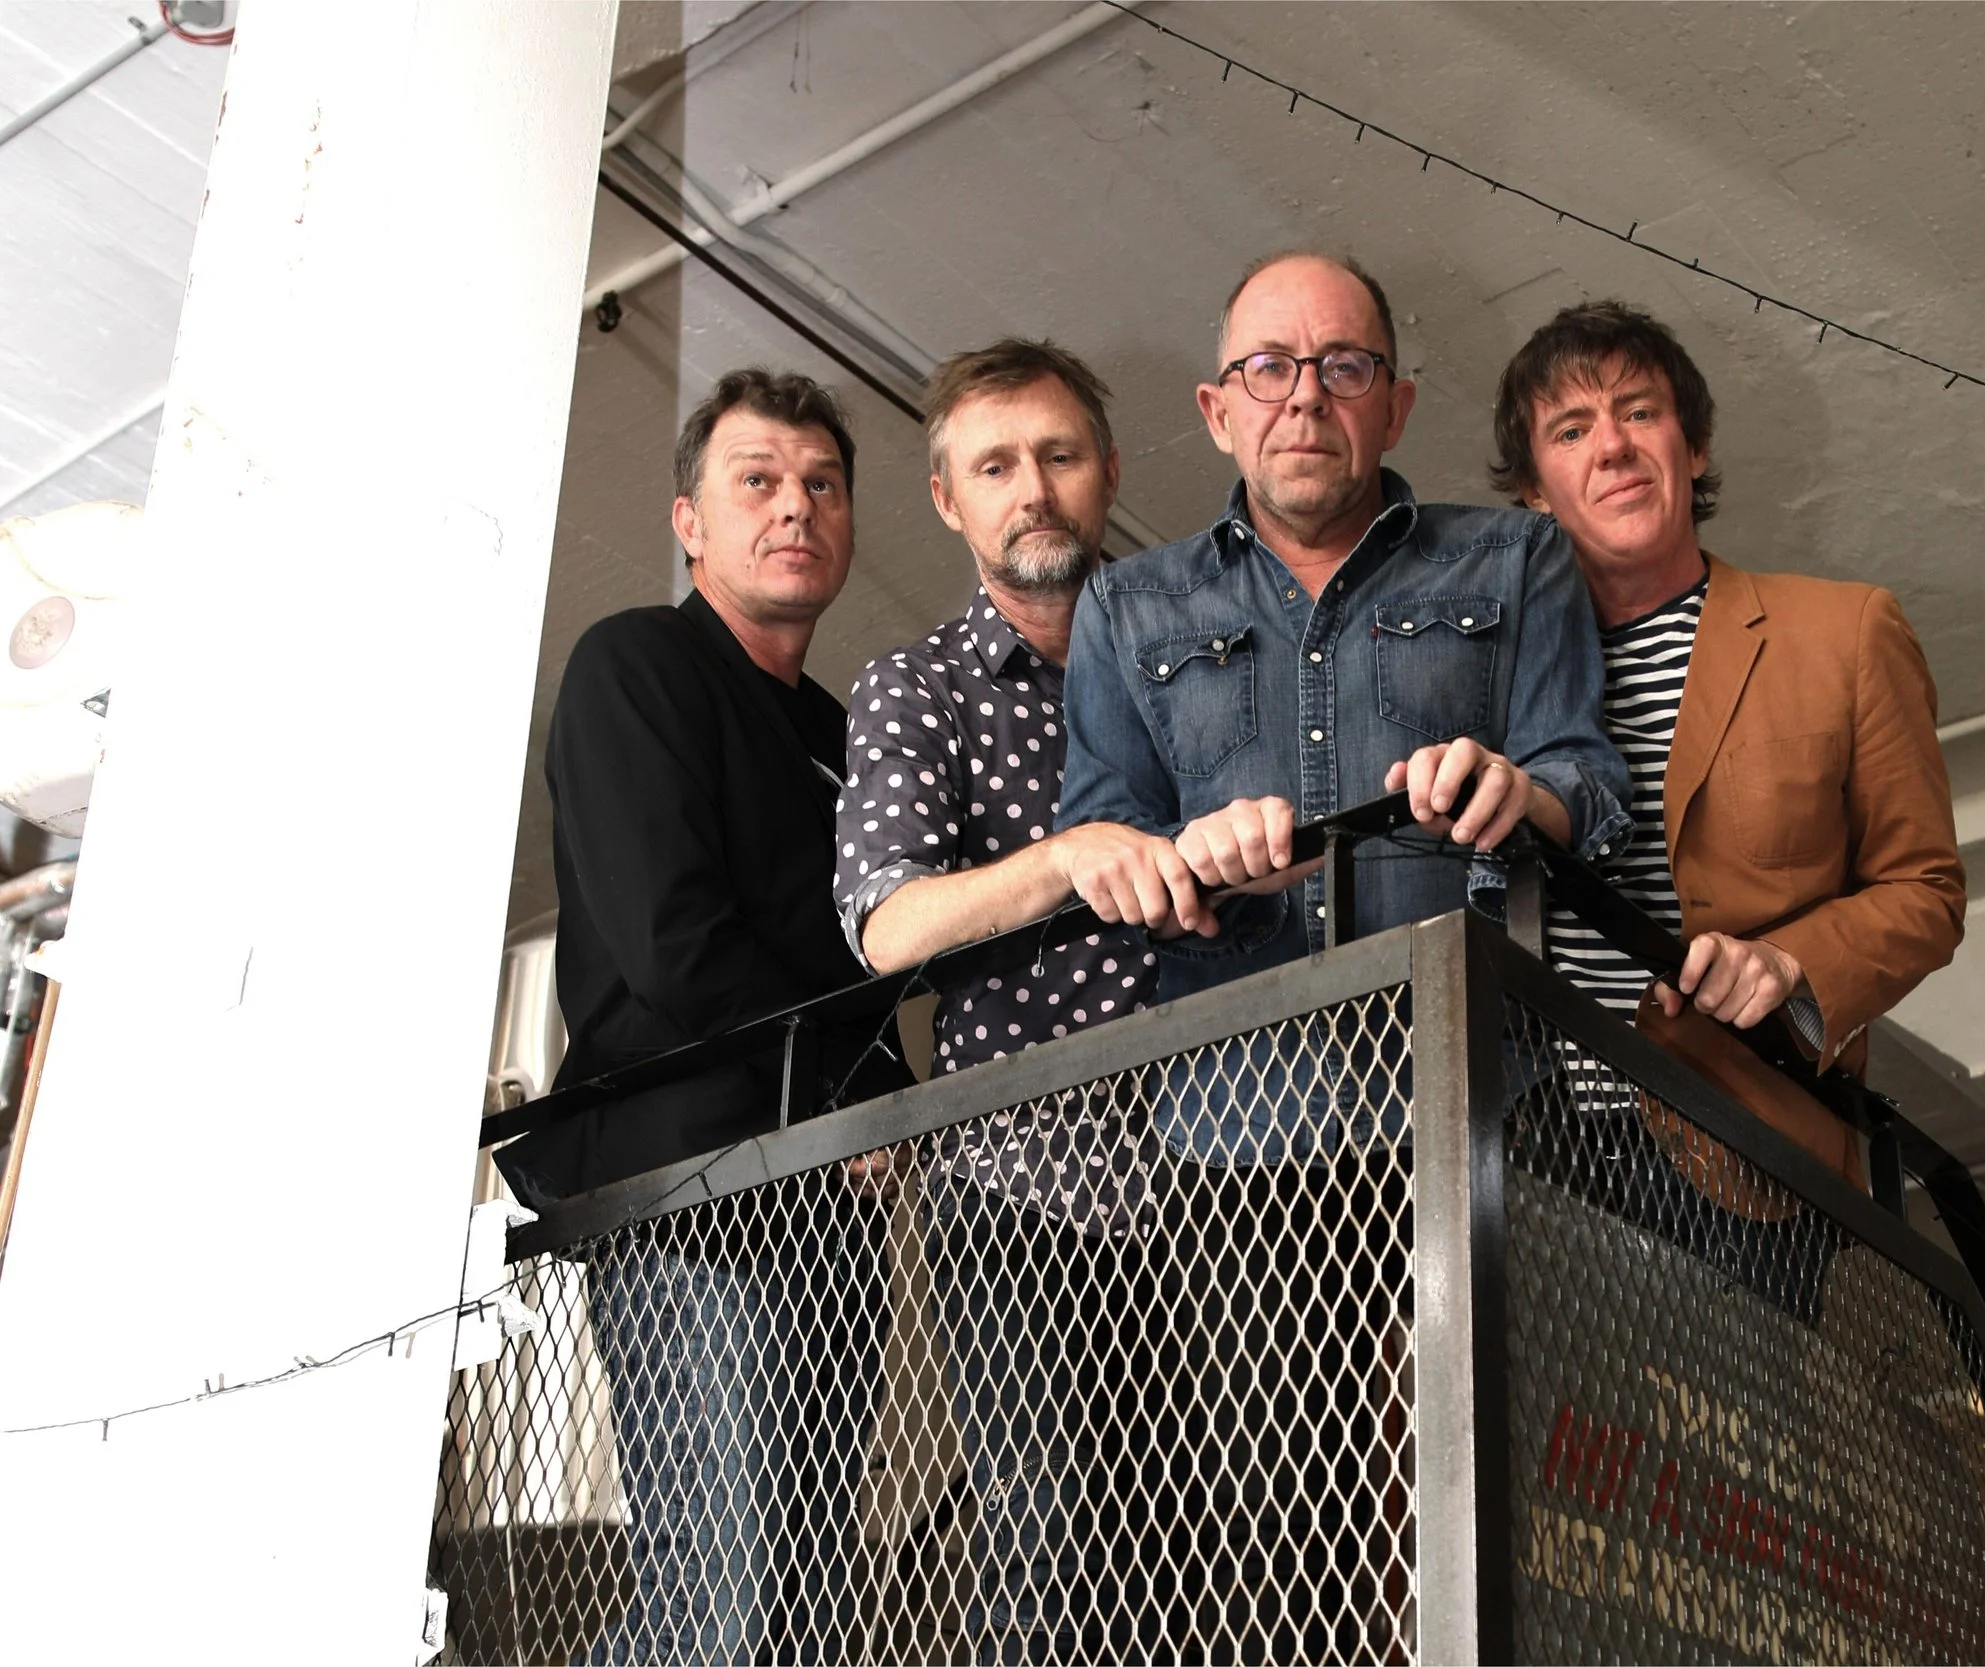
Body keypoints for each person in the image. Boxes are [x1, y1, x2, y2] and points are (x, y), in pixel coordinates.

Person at [1056, 251, 1630, 1660]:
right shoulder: (1128, 609)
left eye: (1343, 365)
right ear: (1216, 406)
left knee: (1518, 1509)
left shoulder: (1514, 557)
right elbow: (1099, 835)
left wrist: (1522, 791)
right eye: (1270, 366)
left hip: (1474, 1107)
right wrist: (1185, 853)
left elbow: (1591, 785)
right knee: (1276, 1536)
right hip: (1237, 1135)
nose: (1303, 395)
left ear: (1394, 400)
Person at [497, 368, 913, 1664]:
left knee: (801, 1606)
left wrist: (880, 1108)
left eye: (822, 485)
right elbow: (676, 941)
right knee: (719, 1595)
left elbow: (880, 962)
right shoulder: (636, 663)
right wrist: (863, 1100)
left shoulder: (850, 733)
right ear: (689, 517)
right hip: (691, 1188)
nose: (796, 506)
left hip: (831, 1203)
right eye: (759, 480)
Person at [835, 339, 1192, 1662]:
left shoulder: (1199, 653)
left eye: (1057, 455)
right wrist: (1062, 857)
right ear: (949, 499)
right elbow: (888, 924)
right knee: (1042, 1563)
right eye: (995, 465)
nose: (1031, 487)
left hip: (1227, 1176)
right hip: (1020, 1192)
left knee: (1233, 1559)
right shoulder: (915, 686)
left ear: (1107, 472)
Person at [1490, 297, 1965, 1184]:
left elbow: (1927, 891)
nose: (1613, 447)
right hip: (1525, 1153)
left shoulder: (1845, 632)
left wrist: (1790, 962)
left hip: (1746, 1153)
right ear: (1533, 492)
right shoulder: (1488, 675)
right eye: (1570, 430)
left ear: (1693, 445)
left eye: (1639, 412)